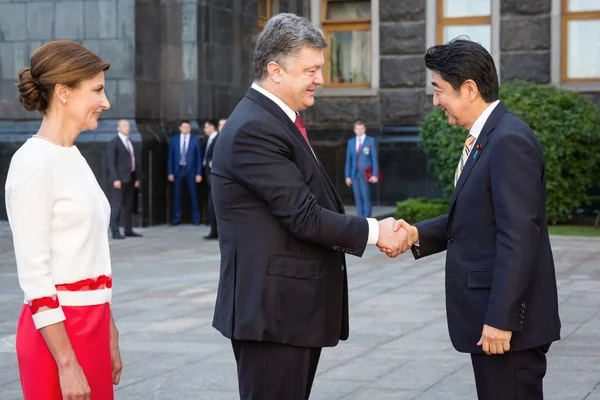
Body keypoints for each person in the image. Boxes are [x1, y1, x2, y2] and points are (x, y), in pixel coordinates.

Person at [210, 14, 411, 400]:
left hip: (287, 313)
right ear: (276, 71)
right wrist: (375, 231)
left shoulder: (276, 120)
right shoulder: (256, 127)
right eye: (312, 70)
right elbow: (302, 215)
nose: (321, 78)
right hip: (273, 315)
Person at [390, 39, 561, 400]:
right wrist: (419, 232)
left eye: (438, 90)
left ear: (469, 89)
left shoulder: (508, 141)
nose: (435, 101)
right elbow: (477, 217)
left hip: (507, 329)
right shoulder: (488, 137)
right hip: (493, 323)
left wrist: (501, 319)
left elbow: (518, 238)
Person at [5, 40, 123, 400]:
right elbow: (35, 276)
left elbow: (90, 252)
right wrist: (67, 364)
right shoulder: (31, 163)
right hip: (56, 339)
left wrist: (110, 329)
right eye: (97, 90)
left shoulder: (72, 156)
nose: (106, 102)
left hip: (93, 324)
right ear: (63, 92)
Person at [106, 119, 142, 239]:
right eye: (125, 126)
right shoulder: (113, 143)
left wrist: (136, 177)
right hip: (119, 179)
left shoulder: (130, 141)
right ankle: (115, 230)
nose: (128, 128)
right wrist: (115, 178)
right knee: (116, 205)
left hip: (130, 178)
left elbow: (134, 160)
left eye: (128, 126)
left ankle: (128, 229)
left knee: (128, 205)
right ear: (118, 128)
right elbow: (111, 163)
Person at [167, 120, 203, 225]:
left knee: (193, 195)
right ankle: (176, 218)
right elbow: (170, 157)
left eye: (187, 127)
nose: (186, 129)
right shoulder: (174, 140)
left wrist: (198, 173)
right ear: (180, 128)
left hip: (191, 171)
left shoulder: (195, 140)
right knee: (177, 195)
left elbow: (199, 158)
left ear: (190, 128)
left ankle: (196, 219)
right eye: (184, 127)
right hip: (178, 170)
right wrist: (170, 172)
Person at [344, 120, 379, 217]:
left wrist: (375, 175)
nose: (359, 131)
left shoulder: (370, 141)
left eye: (361, 128)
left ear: (364, 129)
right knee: (358, 200)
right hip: (354, 174)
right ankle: (360, 223)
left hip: (366, 174)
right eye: (357, 129)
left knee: (366, 198)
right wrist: (347, 176)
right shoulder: (351, 142)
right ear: (354, 130)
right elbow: (348, 160)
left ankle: (368, 222)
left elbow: (374, 159)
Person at [202, 120, 219, 240]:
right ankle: (213, 231)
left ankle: (215, 232)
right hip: (210, 177)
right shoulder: (210, 139)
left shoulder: (218, 138)